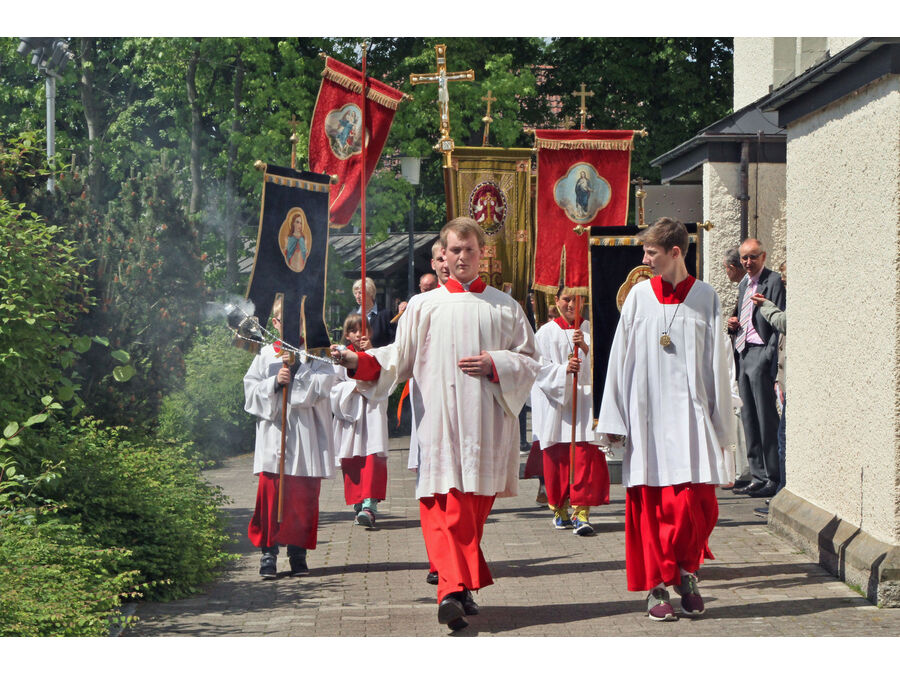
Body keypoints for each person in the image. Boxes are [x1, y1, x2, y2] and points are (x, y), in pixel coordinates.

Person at [331, 216, 540, 632]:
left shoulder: (505, 306)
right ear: (443, 254)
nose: (462, 257)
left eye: (469, 250)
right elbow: (397, 359)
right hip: (440, 426)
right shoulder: (423, 306)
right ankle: (450, 591)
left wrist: (496, 363)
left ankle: (459, 588)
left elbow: (531, 360)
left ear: (483, 253)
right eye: (454, 250)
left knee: (470, 515)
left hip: (486, 427)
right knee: (443, 507)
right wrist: (357, 360)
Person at [596, 217, 736, 621]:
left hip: (692, 419)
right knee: (652, 507)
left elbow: (718, 365)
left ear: (675, 252)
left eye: (651, 252)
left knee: (698, 505)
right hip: (650, 421)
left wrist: (721, 424)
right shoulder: (639, 297)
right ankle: (657, 585)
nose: (645, 259)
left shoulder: (706, 297)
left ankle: (687, 571)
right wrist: (613, 418)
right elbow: (620, 358)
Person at [243, 296, 336, 578]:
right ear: (275, 323)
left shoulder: (317, 353)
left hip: (305, 435)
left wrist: (298, 370)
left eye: (298, 320)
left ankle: (298, 553)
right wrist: (274, 382)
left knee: (302, 497)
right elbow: (250, 391)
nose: (293, 326)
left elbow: (324, 385)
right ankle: (268, 553)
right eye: (286, 320)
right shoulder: (265, 354)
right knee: (271, 496)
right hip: (275, 435)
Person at [531, 286, 609, 535]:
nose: (572, 305)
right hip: (557, 409)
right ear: (556, 300)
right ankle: (560, 510)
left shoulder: (592, 329)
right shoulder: (545, 333)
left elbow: (605, 365)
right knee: (558, 462)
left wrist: (585, 348)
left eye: (577, 299)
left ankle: (581, 513)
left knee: (584, 460)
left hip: (584, 407)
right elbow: (538, 369)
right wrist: (563, 370)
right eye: (567, 299)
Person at [727, 238, 785, 499]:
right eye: (744, 258)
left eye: (752, 257)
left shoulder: (773, 281)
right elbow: (746, 317)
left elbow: (777, 323)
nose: (748, 262)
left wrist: (768, 356)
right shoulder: (744, 284)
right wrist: (734, 324)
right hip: (744, 352)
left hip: (761, 353)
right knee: (749, 416)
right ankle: (758, 475)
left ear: (763, 256)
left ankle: (773, 476)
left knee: (765, 417)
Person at [331, 313, 389, 528]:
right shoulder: (340, 356)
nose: (358, 334)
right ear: (347, 334)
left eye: (362, 330)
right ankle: (358, 504)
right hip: (352, 415)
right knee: (353, 459)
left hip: (372, 413)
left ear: (370, 333)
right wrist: (353, 387)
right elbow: (333, 386)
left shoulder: (378, 354)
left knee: (372, 457)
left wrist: (370, 354)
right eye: (353, 331)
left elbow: (386, 380)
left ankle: (369, 506)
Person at [750, 261, 787, 517]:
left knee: (782, 440)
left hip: (783, 375)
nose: (784, 283)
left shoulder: (777, 291)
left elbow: (783, 323)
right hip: (782, 378)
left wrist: (765, 306)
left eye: (786, 279)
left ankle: (780, 491)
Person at [723, 247, 752, 490]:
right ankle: (746, 470)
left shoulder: (750, 287)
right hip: (741, 357)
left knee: (747, 417)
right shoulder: (743, 288)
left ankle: (749, 471)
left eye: (726, 269)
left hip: (749, 358)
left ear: (732, 267)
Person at [352, 276, 395, 348]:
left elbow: (393, 342)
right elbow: (347, 341)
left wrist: (373, 350)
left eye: (360, 293)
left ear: (370, 293)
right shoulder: (352, 315)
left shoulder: (385, 315)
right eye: (355, 293)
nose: (357, 296)